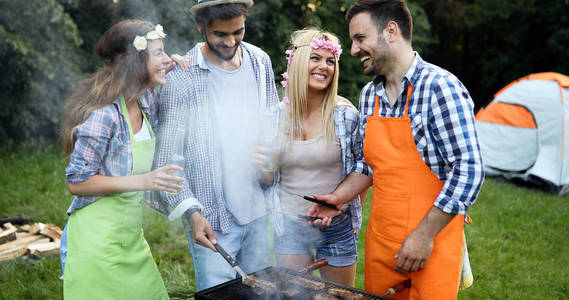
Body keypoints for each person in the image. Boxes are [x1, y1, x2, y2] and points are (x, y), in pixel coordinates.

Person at [308, 0, 485, 299]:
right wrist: (337, 198)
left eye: (360, 39)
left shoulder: (440, 87)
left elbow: (470, 169)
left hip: (433, 244)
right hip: (381, 245)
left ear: (391, 31)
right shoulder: (369, 95)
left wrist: (424, 236)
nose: (352, 51)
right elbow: (368, 165)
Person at [150, 0, 279, 291]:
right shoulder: (181, 78)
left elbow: (273, 129)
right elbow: (165, 163)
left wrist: (269, 165)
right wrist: (192, 215)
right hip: (210, 218)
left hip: (257, 211)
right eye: (221, 34)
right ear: (201, 28)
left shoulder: (260, 62)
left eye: (239, 32)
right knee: (219, 296)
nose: (231, 41)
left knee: (260, 294)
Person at [60, 20, 188, 299]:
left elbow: (167, 80)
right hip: (97, 243)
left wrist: (172, 64)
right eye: (158, 53)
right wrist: (144, 180)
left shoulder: (145, 101)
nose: (166, 58)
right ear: (134, 62)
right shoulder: (104, 115)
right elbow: (77, 182)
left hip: (131, 240)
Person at [251, 28, 367, 287]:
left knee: (339, 295)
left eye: (330, 61)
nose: (323, 67)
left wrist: (350, 211)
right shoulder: (273, 117)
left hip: (337, 226)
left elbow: (363, 169)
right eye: (315, 58)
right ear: (298, 62)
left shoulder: (345, 115)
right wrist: (262, 165)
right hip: (290, 225)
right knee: (294, 295)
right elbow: (268, 179)